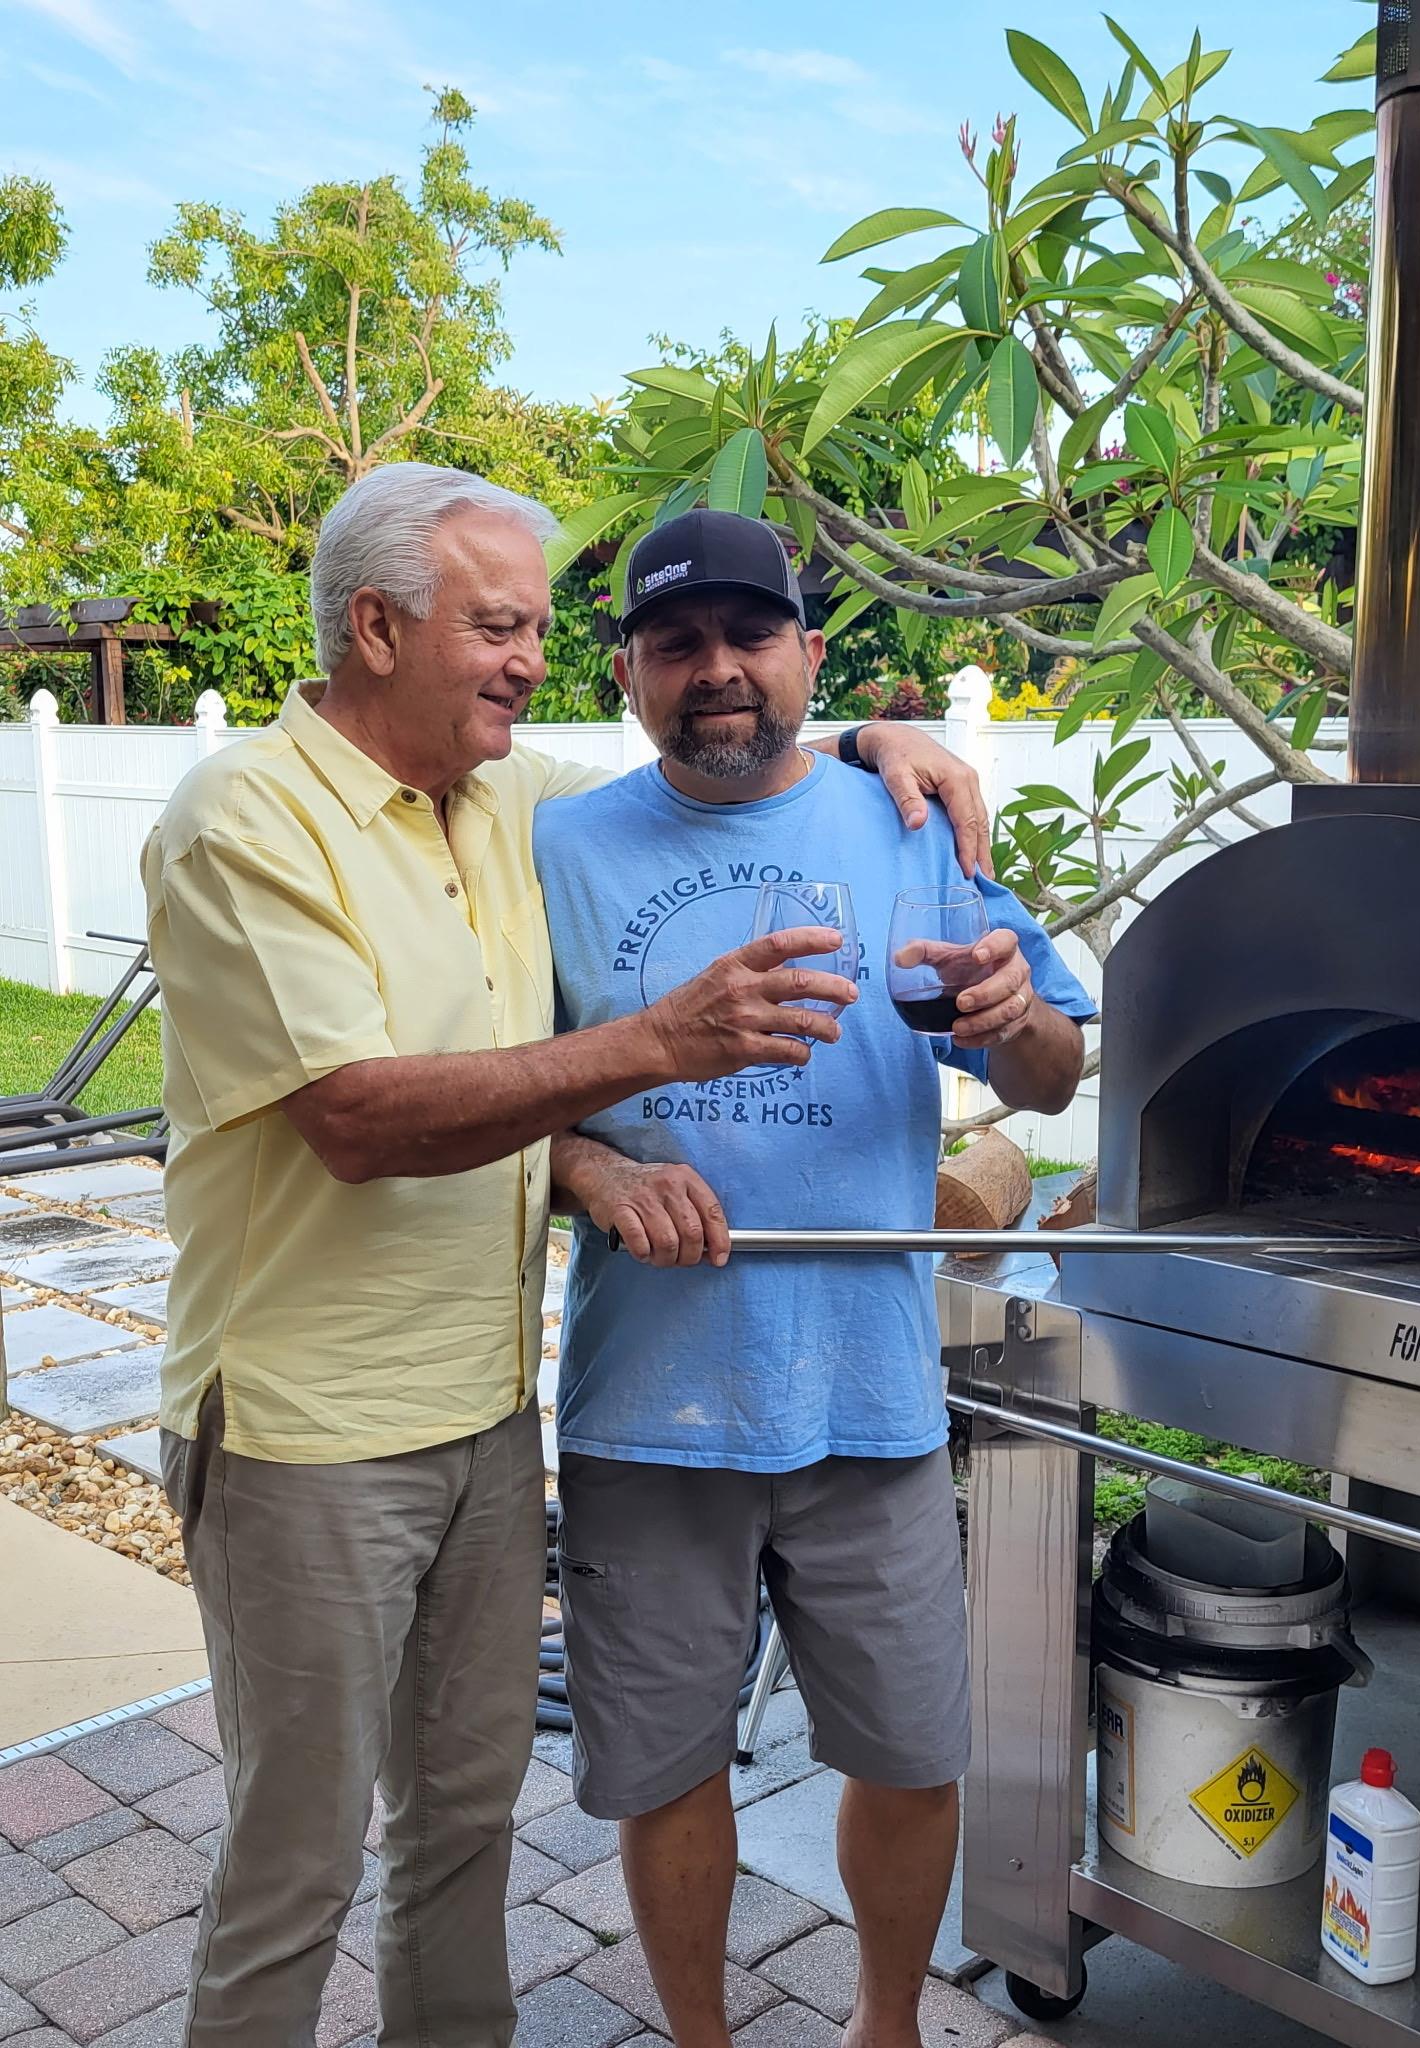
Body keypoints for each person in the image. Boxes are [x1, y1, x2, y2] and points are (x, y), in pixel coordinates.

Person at [141, 463, 996, 2048]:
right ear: (379, 626)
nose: (530, 659)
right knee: (294, 1862)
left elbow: (740, 758)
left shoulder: (507, 801)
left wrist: (889, 741)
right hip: (305, 1434)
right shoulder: (246, 815)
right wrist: (650, 1059)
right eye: (500, 624)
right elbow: (359, 1117)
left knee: (463, 1827)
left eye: (541, 627)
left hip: (485, 1419)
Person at [534, 507, 1096, 2048]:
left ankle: (885, 2026)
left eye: (750, 635)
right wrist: (593, 1168)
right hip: (651, 1400)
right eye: (677, 643)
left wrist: (1009, 1023)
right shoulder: (555, 842)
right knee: (666, 1765)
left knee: (914, 1754)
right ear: (630, 672)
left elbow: (1051, 1071)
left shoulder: (911, 824)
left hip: (871, 1387)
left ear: (811, 653)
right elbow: (515, 1083)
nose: (718, 669)